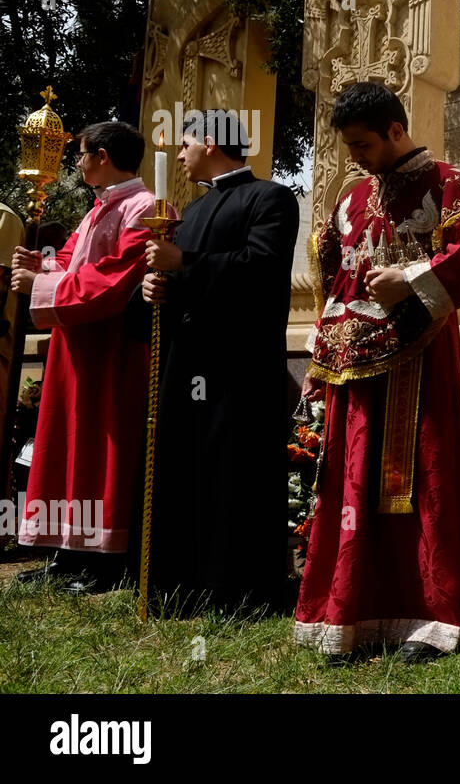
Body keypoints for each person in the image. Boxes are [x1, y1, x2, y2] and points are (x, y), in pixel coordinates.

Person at [294, 82, 460, 662]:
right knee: (349, 484)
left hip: (419, 362)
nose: (355, 156)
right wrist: (319, 359)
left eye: (363, 144)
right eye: (349, 145)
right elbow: (336, 281)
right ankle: (348, 611)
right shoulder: (353, 199)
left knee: (421, 481)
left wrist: (411, 277)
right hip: (350, 368)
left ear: (395, 130)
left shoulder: (457, 189)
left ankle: (428, 618)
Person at [139, 109, 299, 613]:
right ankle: (182, 583)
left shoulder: (269, 197)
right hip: (188, 364)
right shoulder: (190, 212)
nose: (179, 155)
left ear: (211, 141)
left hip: (240, 368)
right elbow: (178, 283)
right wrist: (154, 288)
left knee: (235, 476)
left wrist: (183, 264)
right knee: (185, 469)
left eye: (185, 143)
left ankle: (240, 590)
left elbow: (261, 271)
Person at [13, 121, 164, 593]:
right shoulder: (102, 207)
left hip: (110, 350)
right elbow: (75, 261)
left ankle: (105, 562)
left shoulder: (144, 209)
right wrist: (41, 265)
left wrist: (38, 286)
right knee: (67, 447)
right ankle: (67, 551)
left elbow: (114, 281)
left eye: (80, 155)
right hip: (75, 344)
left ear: (101, 156)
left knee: (99, 451)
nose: (76, 163)